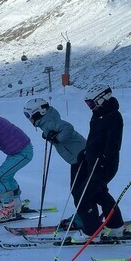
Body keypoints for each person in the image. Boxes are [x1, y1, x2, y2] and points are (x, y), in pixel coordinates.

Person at [76, 85, 129, 241]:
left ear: (102, 99)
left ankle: (91, 230)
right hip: (94, 162)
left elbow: (113, 143)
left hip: (105, 165)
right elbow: (94, 139)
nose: (90, 107)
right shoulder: (97, 115)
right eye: (88, 104)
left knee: (82, 195)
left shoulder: (113, 116)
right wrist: (86, 153)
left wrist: (104, 159)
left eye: (91, 103)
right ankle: (115, 226)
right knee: (100, 194)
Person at [24, 97, 86, 229]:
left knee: (78, 190)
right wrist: (49, 135)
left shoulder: (50, 122)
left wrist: (57, 138)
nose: (28, 119)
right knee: (79, 189)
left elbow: (67, 127)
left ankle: (84, 218)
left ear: (38, 113)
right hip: (78, 158)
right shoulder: (47, 122)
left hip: (81, 158)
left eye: (28, 115)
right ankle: (84, 215)